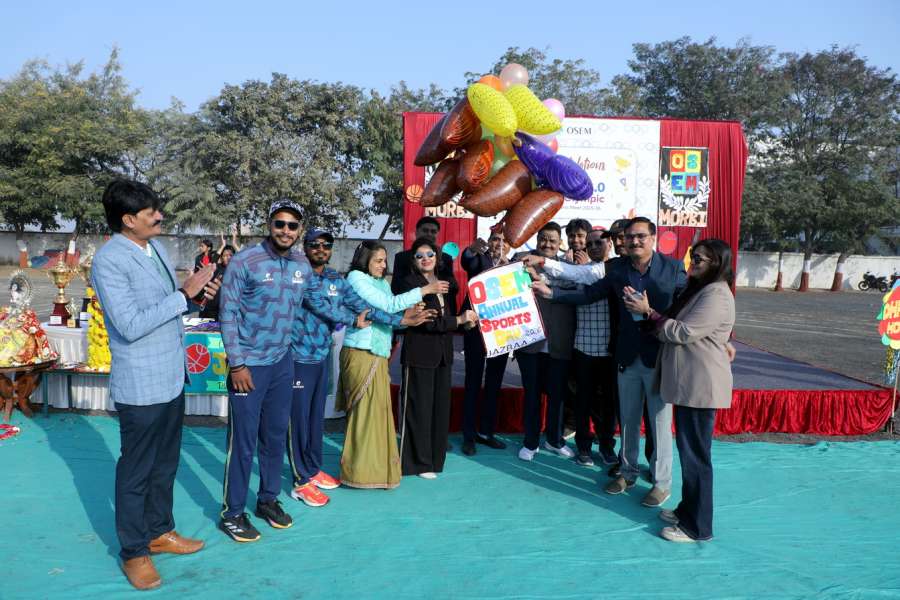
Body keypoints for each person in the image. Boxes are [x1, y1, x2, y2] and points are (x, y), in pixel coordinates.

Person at [92, 180, 219, 590]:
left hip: (170, 377)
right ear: (128, 220)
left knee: (165, 465)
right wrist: (184, 295)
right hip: (141, 384)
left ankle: (159, 531)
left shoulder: (157, 248)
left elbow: (170, 307)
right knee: (137, 472)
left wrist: (197, 297)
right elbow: (130, 324)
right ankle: (134, 552)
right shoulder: (109, 261)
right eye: (151, 213)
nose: (160, 216)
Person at [532, 217, 686, 508]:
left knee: (659, 423)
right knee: (627, 420)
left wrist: (650, 311)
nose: (634, 241)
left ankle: (661, 483)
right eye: (630, 237)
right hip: (626, 357)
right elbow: (589, 293)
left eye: (641, 236)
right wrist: (552, 293)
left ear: (653, 238)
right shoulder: (618, 270)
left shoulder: (673, 269)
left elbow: (689, 308)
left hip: (659, 357)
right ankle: (627, 472)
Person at [288, 230, 432, 506]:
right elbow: (321, 306)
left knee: (315, 418)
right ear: (305, 246)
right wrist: (352, 320)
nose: (321, 248)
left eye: (326, 244)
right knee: (299, 420)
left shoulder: (334, 278)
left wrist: (401, 321)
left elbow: (361, 307)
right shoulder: (297, 275)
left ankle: (313, 469)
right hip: (298, 356)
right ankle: (301, 480)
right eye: (314, 244)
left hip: (321, 355)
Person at [622, 239, 736, 543]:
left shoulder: (716, 294)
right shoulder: (700, 290)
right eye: (693, 257)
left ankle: (697, 528)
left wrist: (649, 312)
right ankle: (687, 510)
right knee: (689, 454)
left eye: (699, 259)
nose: (692, 262)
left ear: (716, 263)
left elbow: (683, 332)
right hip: (689, 383)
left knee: (696, 457)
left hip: (701, 385)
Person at [218, 199, 310, 543]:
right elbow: (228, 314)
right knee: (243, 443)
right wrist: (237, 363)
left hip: (282, 363)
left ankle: (267, 499)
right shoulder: (245, 261)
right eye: (279, 224)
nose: (286, 230)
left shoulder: (302, 264)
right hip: (249, 366)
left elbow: (311, 305)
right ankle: (232, 512)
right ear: (269, 225)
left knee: (274, 437)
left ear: (299, 229)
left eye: (292, 225)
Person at [338, 241, 445, 489]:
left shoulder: (383, 284)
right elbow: (387, 306)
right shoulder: (356, 279)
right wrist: (424, 290)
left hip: (379, 354)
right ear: (364, 260)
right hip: (361, 352)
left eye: (385, 260)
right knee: (364, 417)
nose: (383, 265)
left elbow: (392, 317)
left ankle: (376, 472)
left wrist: (411, 316)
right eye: (378, 260)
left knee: (378, 416)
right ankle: (357, 474)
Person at [524, 227, 618, 467]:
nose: (594, 247)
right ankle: (539, 443)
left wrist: (545, 277)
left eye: (599, 243)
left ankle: (598, 445)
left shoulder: (612, 268)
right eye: (590, 243)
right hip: (574, 345)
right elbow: (568, 278)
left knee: (602, 403)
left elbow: (575, 279)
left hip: (603, 349)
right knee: (575, 400)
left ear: (610, 244)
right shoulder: (527, 263)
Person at [395, 238, 477, 478]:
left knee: (440, 411)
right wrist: (459, 320)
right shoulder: (409, 284)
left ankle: (434, 460)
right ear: (413, 261)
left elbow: (448, 317)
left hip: (443, 356)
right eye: (419, 256)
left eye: (430, 254)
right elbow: (427, 321)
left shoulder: (444, 283)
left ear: (437, 257)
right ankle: (417, 464)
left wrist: (466, 322)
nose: (425, 259)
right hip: (419, 355)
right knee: (418, 411)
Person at [516, 222, 577, 462]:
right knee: (532, 395)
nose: (547, 244)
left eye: (552, 240)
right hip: (530, 344)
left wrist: (542, 278)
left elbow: (572, 288)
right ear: (537, 239)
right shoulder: (521, 261)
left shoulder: (569, 268)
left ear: (560, 243)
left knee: (557, 396)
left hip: (559, 344)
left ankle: (554, 440)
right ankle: (530, 442)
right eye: (543, 238)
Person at [460, 230, 511, 456]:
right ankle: (468, 435)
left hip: (501, 331)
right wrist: (471, 250)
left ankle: (486, 432)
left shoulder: (515, 265)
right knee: (472, 382)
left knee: (494, 383)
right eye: (495, 239)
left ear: (510, 245)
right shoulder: (480, 259)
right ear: (489, 242)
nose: (499, 244)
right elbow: (467, 261)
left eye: (504, 241)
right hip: (476, 329)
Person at [391, 216, 455, 293]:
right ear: (416, 233)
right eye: (425, 230)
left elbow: (453, 288)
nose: (429, 234)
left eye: (433, 232)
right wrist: (425, 290)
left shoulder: (445, 258)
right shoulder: (402, 257)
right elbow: (396, 288)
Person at [199, 244, 236, 321]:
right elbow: (212, 263)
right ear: (221, 257)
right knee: (208, 328)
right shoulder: (217, 268)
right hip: (211, 309)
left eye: (231, 255)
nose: (228, 257)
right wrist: (222, 246)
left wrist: (235, 244)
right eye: (225, 255)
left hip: (227, 310)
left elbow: (246, 261)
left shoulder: (237, 270)